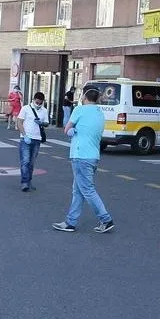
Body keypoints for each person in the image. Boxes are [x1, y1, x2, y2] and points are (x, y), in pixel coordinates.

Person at [52, 88, 114, 234]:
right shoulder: (100, 113)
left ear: (84, 97)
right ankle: (70, 222)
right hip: (93, 156)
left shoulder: (79, 110)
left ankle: (105, 219)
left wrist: (71, 131)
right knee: (78, 190)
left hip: (80, 155)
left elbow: (67, 128)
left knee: (87, 190)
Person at [17, 91, 49, 192]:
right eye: (37, 102)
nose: (38, 105)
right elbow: (19, 122)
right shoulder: (26, 108)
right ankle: (24, 182)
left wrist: (42, 123)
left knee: (31, 163)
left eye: (40, 103)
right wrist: (24, 135)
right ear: (33, 100)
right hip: (26, 138)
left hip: (37, 139)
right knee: (25, 161)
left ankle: (29, 181)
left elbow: (47, 123)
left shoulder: (44, 110)